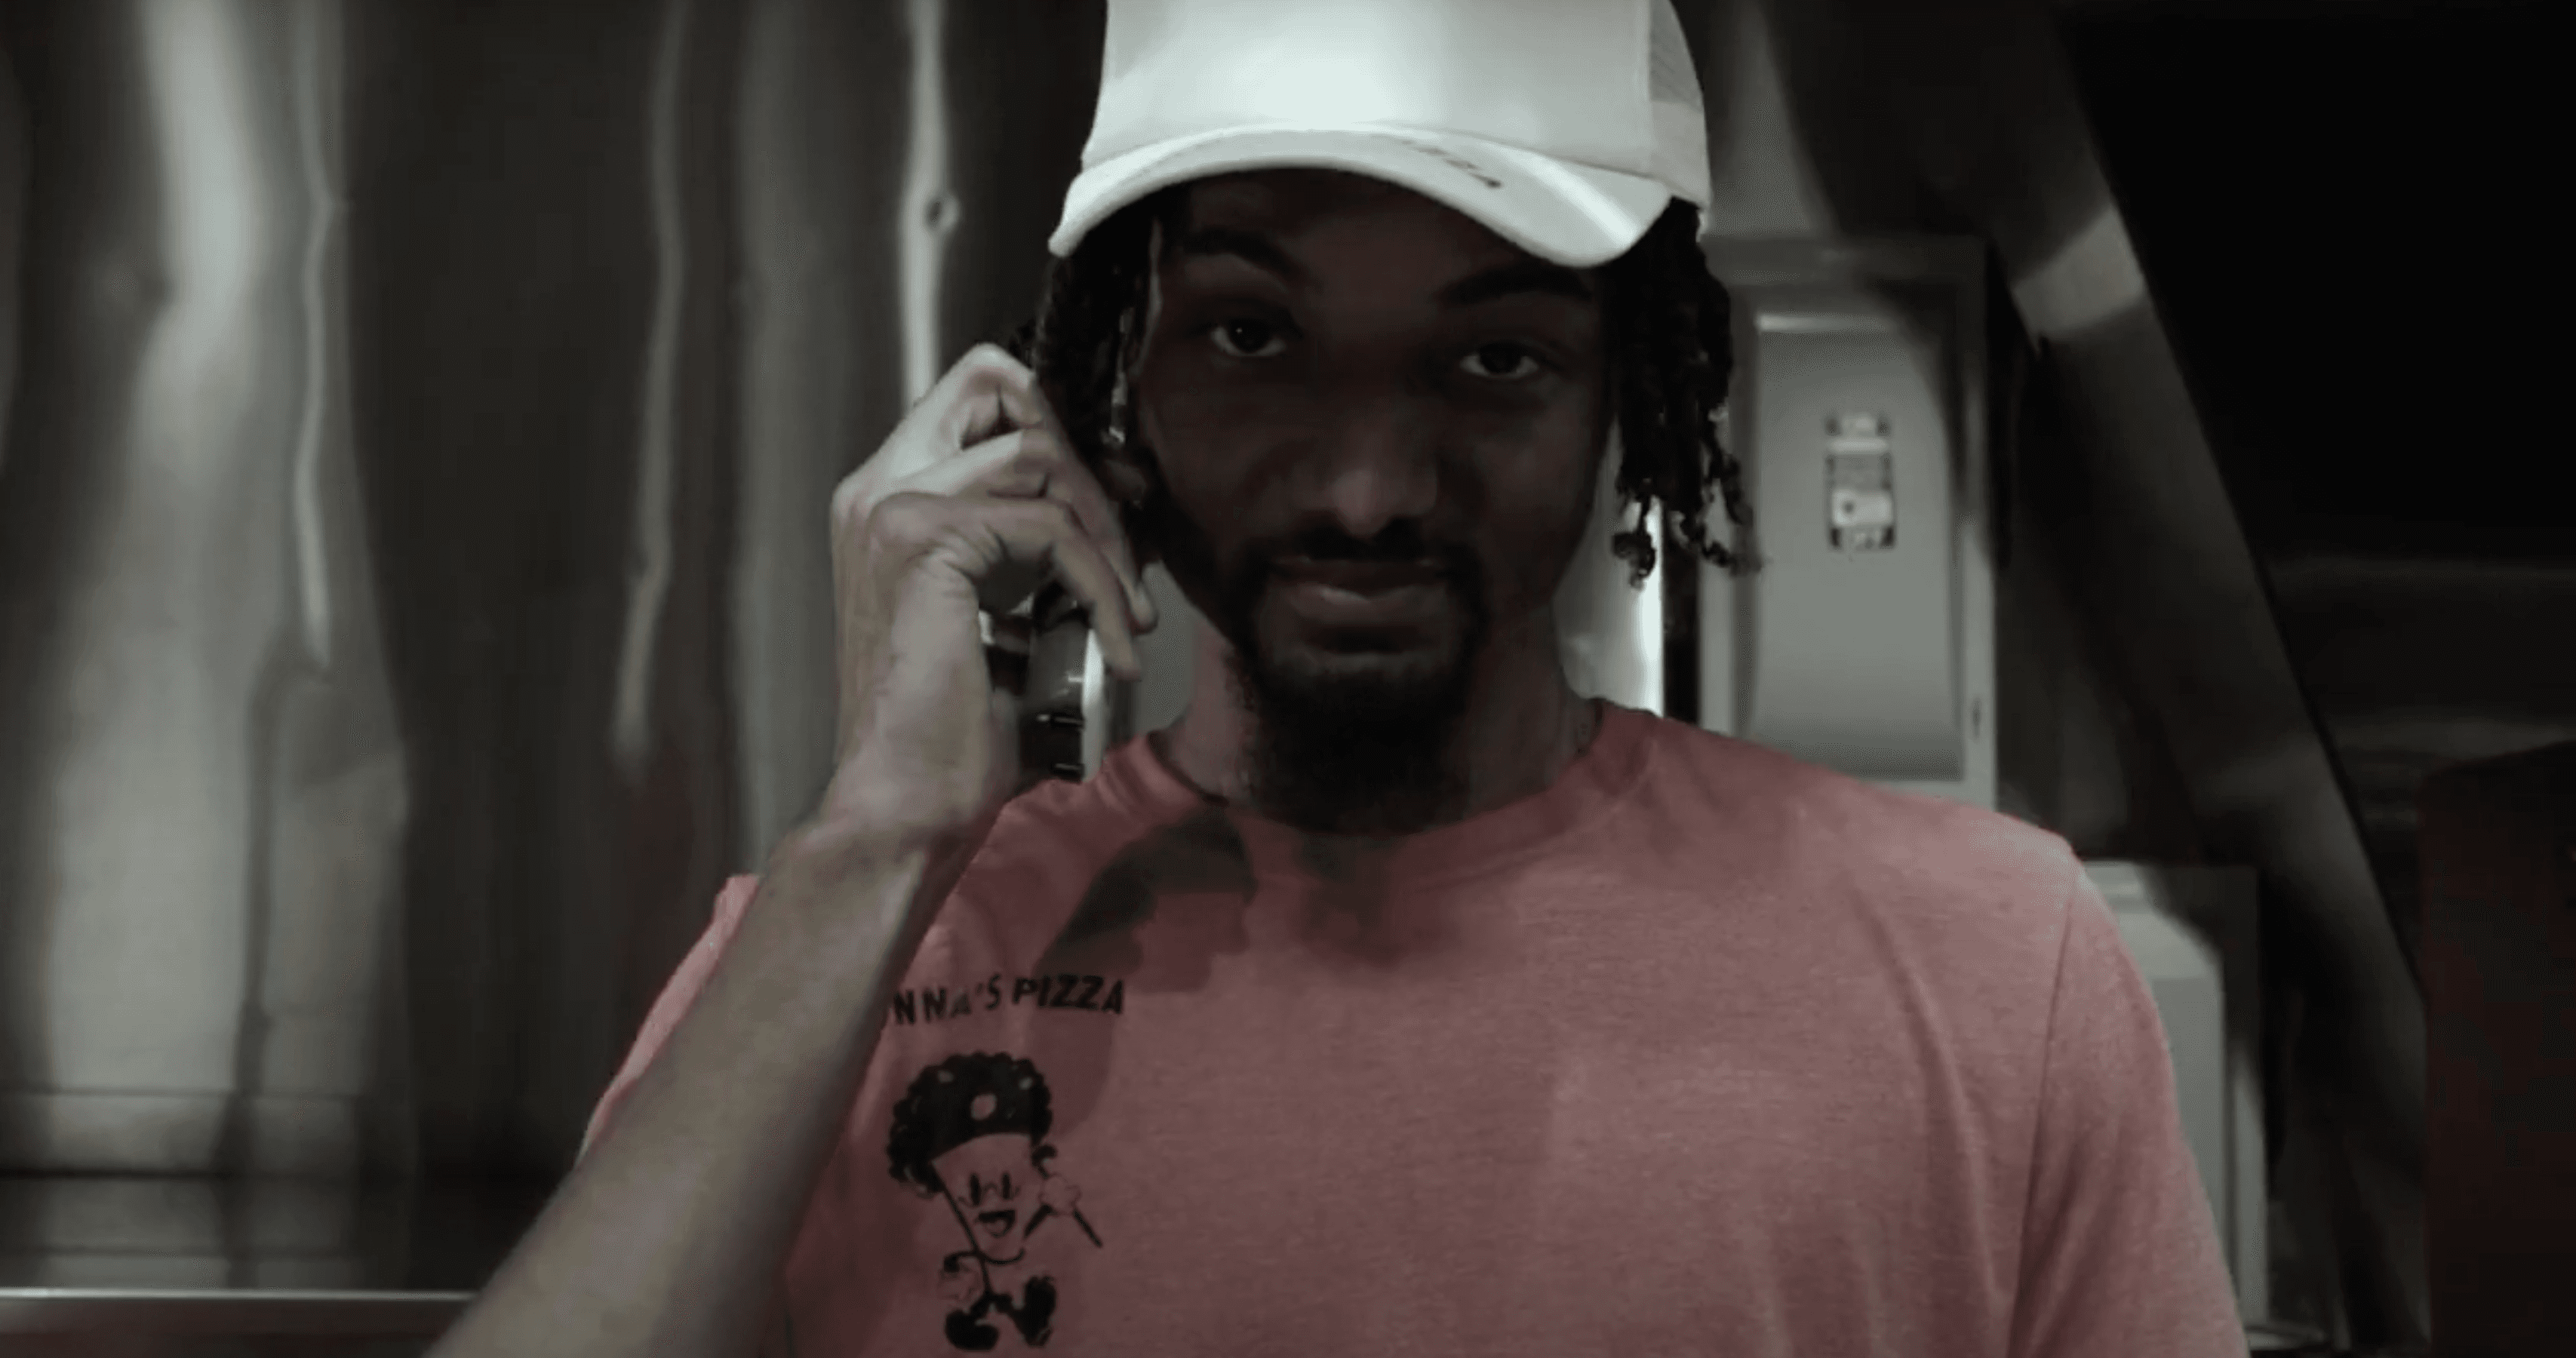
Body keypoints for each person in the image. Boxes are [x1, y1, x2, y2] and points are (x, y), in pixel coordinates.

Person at [432, 2, 2246, 1354]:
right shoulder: (843, 961)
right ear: (1109, 384)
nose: (1370, 488)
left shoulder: (1993, 971)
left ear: (1632, 395)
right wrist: (881, 837)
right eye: (1253, 335)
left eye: (1495, 359)